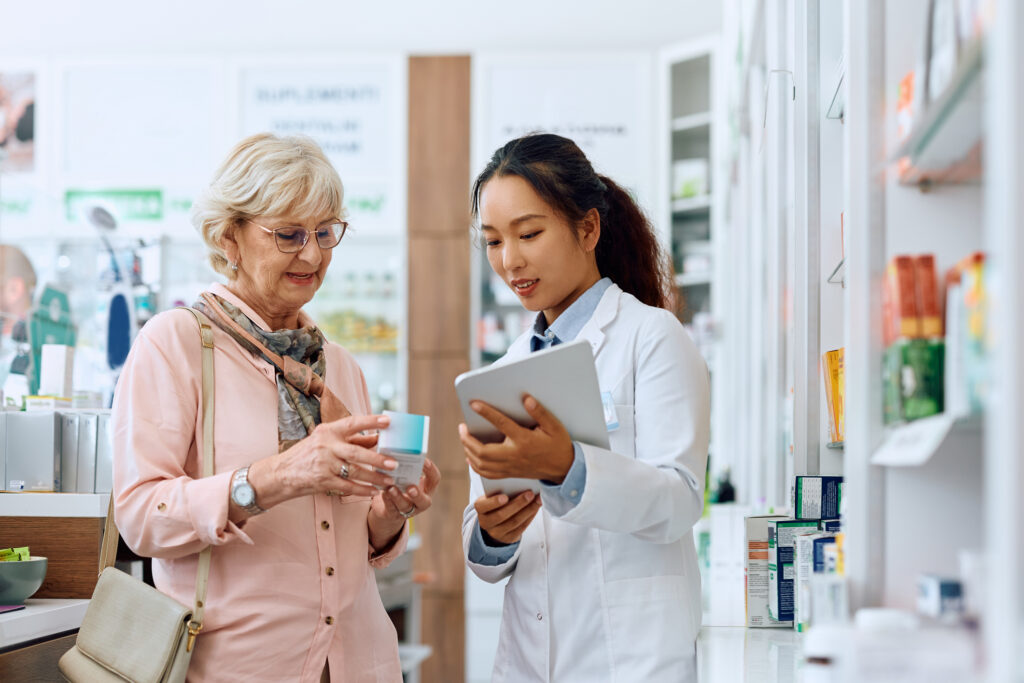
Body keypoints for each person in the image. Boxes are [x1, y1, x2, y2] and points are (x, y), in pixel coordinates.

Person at [112, 133, 441, 682]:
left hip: (358, 664)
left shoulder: (339, 367)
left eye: (325, 232)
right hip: (238, 667)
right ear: (229, 237)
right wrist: (277, 476)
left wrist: (390, 513)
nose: (312, 254)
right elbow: (141, 520)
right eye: (288, 234)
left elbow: (352, 541)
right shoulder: (178, 344)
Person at [460, 133, 710, 682]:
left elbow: (681, 499)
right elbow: (482, 551)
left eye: (528, 234)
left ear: (588, 229)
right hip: (531, 659)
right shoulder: (501, 371)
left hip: (633, 658)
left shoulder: (651, 336)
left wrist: (567, 468)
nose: (510, 260)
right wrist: (494, 536)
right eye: (494, 241)